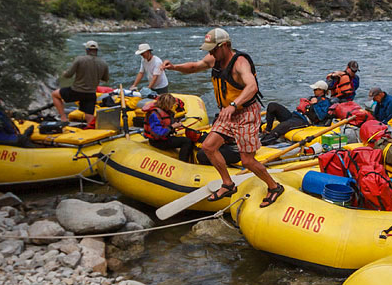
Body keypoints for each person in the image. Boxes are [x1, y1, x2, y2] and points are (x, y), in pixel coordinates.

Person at [163, 27, 283, 206]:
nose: (210, 53)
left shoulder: (240, 63)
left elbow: (252, 87)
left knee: (247, 160)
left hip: (245, 113)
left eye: (213, 49)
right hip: (228, 113)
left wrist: (234, 105)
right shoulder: (214, 59)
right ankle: (228, 184)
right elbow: (195, 66)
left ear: (225, 46)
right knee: (208, 146)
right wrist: (173, 67)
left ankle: (274, 187)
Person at [51, 40, 110, 125]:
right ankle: (92, 131)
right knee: (89, 118)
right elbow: (105, 79)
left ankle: (63, 118)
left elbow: (68, 75)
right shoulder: (103, 63)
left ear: (87, 50)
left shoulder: (79, 59)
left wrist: (63, 73)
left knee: (55, 94)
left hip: (76, 91)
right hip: (91, 94)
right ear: (97, 50)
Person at [262, 80, 334, 143]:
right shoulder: (312, 98)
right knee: (272, 106)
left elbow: (321, 116)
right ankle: (267, 130)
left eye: (315, 89)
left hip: (303, 120)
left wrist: (315, 105)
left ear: (321, 90)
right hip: (294, 115)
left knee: (282, 126)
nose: (313, 91)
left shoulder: (325, 102)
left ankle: (264, 142)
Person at [143, 93, 195, 162]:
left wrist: (175, 125)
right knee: (186, 141)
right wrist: (172, 127)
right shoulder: (154, 114)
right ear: (166, 104)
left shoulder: (164, 110)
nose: (172, 107)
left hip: (164, 138)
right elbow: (157, 134)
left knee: (189, 138)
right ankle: (183, 162)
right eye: (171, 105)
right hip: (157, 142)